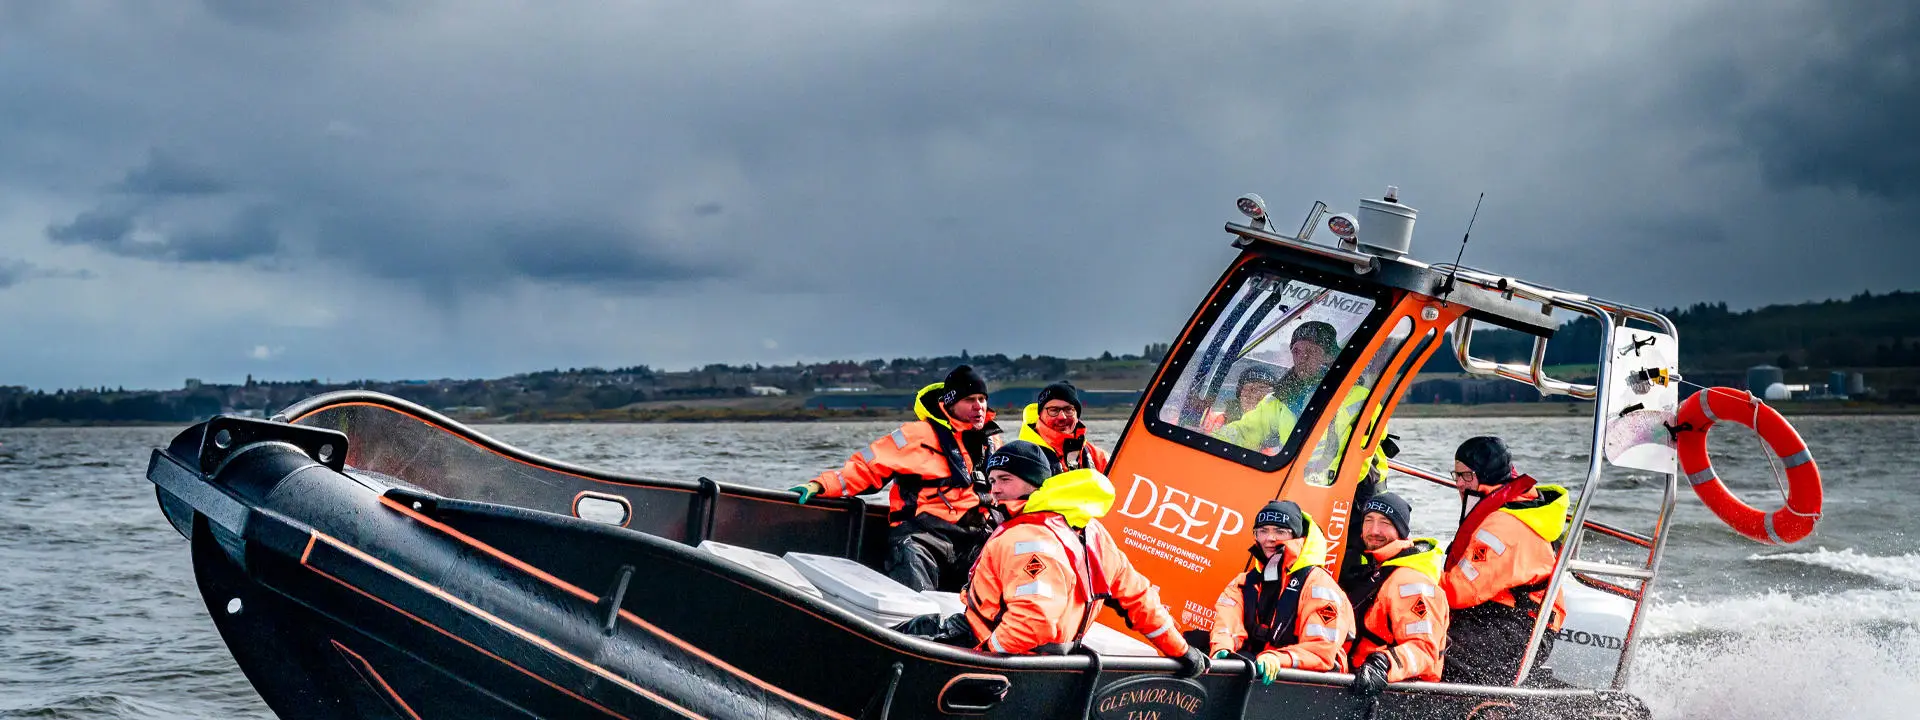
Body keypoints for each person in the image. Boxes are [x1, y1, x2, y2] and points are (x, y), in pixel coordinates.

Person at [919, 445, 1209, 675]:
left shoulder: (1026, 538)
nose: (995, 489)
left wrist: (983, 655)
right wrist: (1181, 651)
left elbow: (1034, 622)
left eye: (1006, 479)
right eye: (993, 480)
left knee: (908, 639)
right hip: (1058, 660)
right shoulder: (1092, 531)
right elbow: (1140, 600)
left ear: (1034, 483)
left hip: (999, 657)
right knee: (921, 625)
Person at [789, 365, 1004, 592]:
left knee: (1008, 561)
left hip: (975, 537)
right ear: (950, 403)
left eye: (982, 399)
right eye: (970, 399)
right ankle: (915, 624)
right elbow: (867, 467)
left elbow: (1012, 491)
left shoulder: (993, 441)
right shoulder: (916, 435)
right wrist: (820, 485)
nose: (978, 406)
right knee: (912, 564)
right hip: (923, 536)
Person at [1440, 437, 1569, 686]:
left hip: (1520, 628)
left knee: (1435, 648)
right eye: (1456, 475)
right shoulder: (1506, 508)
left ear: (1487, 474)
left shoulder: (1502, 525)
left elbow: (1461, 590)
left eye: (1466, 476)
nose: (1458, 483)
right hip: (1506, 617)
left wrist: (1420, 586)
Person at [1209, 500, 1355, 683]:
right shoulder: (1243, 583)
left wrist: (1278, 658)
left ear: (1296, 536)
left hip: (1311, 684)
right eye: (1262, 531)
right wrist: (1222, 650)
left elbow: (1322, 652)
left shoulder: (1319, 586)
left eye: (1279, 531)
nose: (1269, 538)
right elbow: (1227, 624)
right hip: (1263, 673)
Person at [1340, 493, 1448, 696]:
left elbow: (1424, 650)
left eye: (1385, 522)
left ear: (1401, 531)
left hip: (1397, 694)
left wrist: (1384, 663)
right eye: (1368, 521)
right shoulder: (1376, 570)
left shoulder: (1410, 581)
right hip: (1360, 681)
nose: (1374, 530)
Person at [1211, 322, 1342, 453]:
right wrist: (1211, 441)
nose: (1303, 358)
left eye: (1312, 351)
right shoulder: (1281, 398)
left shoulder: (1349, 396)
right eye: (1297, 351)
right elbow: (1245, 430)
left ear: (1329, 357)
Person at [1017, 381, 1110, 474]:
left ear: (1077, 414)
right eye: (1053, 410)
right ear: (1040, 415)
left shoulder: (1099, 458)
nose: (1062, 417)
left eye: (1069, 409)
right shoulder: (1018, 457)